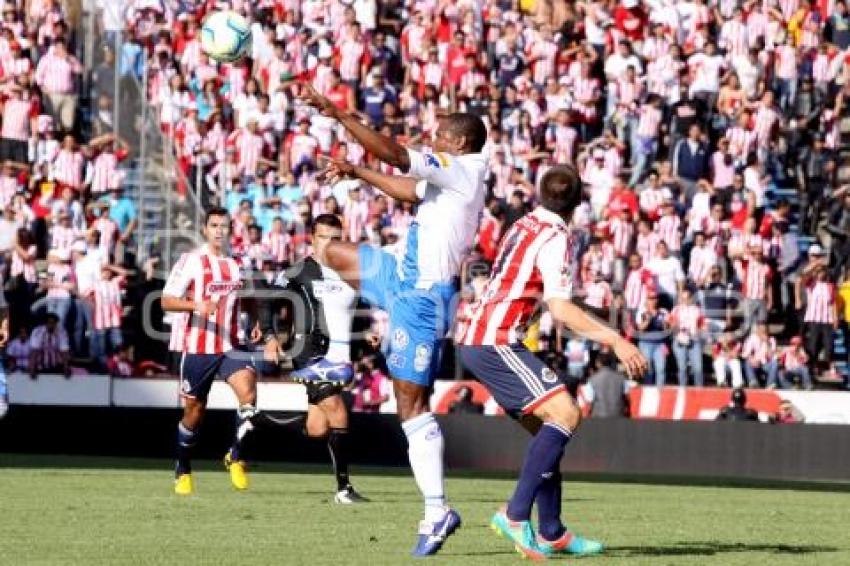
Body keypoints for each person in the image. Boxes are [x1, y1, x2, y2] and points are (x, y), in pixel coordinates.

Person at [300, 83, 488, 555]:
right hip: (400, 274)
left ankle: (436, 510)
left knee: (410, 405)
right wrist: (357, 171)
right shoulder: (450, 177)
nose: (435, 137)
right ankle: (339, 348)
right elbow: (408, 188)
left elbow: (400, 157)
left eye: (441, 134)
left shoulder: (463, 168)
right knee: (332, 252)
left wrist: (340, 114)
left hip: (424, 297)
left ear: (460, 142)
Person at [457, 165, 647, 560]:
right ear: (578, 203)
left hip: (479, 337)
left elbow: (545, 293)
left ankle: (552, 531)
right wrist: (616, 340)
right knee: (566, 413)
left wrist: (592, 313)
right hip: (496, 340)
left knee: (548, 433)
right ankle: (514, 516)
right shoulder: (559, 237)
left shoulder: (523, 224)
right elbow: (559, 309)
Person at [258, 214, 367, 504]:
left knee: (318, 428)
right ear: (312, 239)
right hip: (307, 351)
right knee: (338, 410)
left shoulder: (349, 273)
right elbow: (267, 298)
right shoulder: (300, 271)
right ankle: (344, 489)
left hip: (335, 353)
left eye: (335, 238)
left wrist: (365, 333)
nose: (329, 244)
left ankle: (256, 421)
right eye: (323, 237)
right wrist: (269, 336)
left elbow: (350, 313)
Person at [161, 207, 259, 496]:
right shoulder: (191, 261)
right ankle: (183, 467)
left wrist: (253, 322)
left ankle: (236, 456)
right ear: (205, 229)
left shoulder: (240, 262)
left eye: (224, 226)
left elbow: (248, 296)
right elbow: (166, 301)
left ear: (231, 230)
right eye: (214, 225)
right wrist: (196, 306)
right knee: (194, 412)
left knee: (249, 396)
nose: (219, 230)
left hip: (231, 346)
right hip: (199, 347)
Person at [586, 350, 630, 418]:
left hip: (599, 416)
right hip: (618, 414)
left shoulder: (592, 380)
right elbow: (627, 397)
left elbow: (589, 400)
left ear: (598, 363)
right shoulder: (621, 378)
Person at [28, 312, 70, 378]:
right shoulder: (37, 331)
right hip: (41, 366)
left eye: (53, 323)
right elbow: (34, 351)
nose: (51, 325)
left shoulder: (62, 332)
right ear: (45, 323)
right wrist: (32, 368)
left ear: (56, 323)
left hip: (56, 366)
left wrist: (66, 367)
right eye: (49, 323)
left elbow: (64, 352)